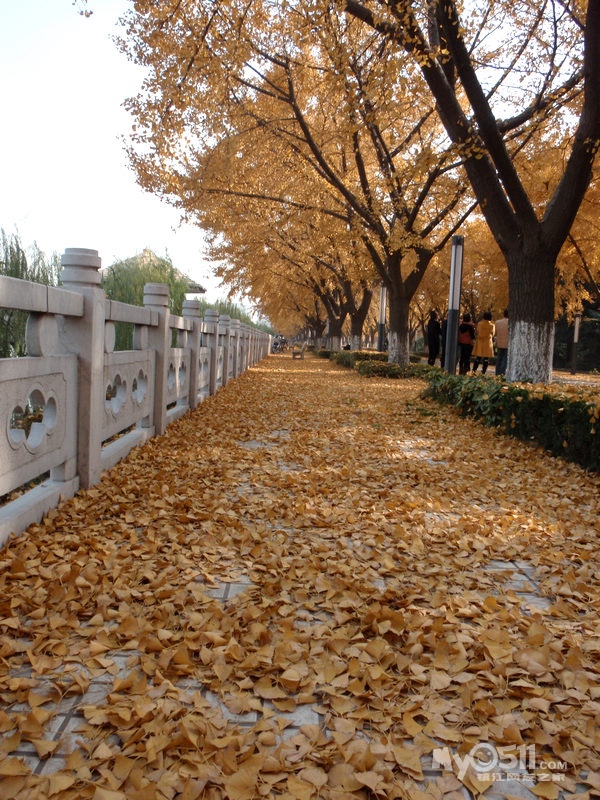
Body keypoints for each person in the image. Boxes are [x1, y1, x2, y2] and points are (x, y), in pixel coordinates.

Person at [494, 308, 509, 377]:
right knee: (505, 360)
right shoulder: (511, 323)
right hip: (508, 343)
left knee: (499, 359)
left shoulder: (497, 322)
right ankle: (502, 373)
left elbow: (495, 333)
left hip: (499, 343)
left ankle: (497, 373)